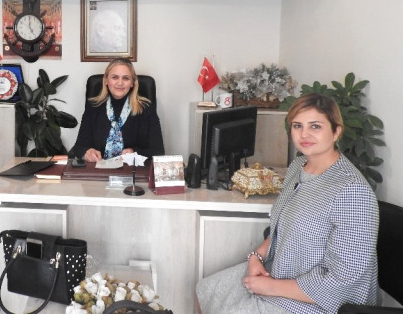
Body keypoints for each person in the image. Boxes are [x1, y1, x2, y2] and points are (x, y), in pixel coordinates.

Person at [195, 93, 379, 314]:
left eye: (315, 126)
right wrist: (256, 257)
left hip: (320, 300)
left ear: (336, 131)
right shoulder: (298, 167)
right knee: (206, 289)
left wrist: (271, 287)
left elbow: (343, 280)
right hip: (281, 270)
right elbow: (281, 229)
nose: (304, 134)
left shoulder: (351, 190)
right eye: (297, 126)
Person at [70, 59, 164, 161]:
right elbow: (79, 147)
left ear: (132, 83)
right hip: (99, 168)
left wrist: (134, 152)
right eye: (114, 77)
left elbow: (158, 151)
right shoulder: (93, 107)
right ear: (106, 80)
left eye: (126, 78)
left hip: (132, 169)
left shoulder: (146, 109)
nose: (120, 83)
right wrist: (87, 153)